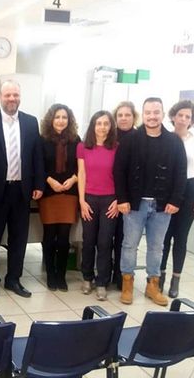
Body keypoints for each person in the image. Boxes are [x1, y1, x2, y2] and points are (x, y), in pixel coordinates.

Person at [113, 97, 187, 306]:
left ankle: (152, 285)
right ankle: (127, 284)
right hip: (134, 204)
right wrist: (122, 199)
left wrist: (176, 200)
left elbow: (181, 173)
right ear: (143, 114)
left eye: (156, 112)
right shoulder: (130, 140)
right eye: (148, 113)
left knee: (157, 247)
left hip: (163, 205)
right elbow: (119, 171)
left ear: (163, 114)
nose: (152, 116)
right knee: (129, 245)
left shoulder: (174, 142)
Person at [0, 80, 45, 299]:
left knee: (19, 238)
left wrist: (39, 184)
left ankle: (13, 279)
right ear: (0, 97)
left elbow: (36, 155)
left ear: (20, 97)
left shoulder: (30, 122)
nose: (12, 99)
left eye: (15, 95)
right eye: (8, 95)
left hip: (21, 191)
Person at [160, 100, 194, 298]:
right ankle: (159, 276)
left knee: (181, 237)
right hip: (168, 190)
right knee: (164, 237)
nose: (183, 119)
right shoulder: (166, 138)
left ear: (192, 120)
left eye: (187, 116)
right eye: (180, 115)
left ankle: (175, 279)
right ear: (173, 116)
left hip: (189, 189)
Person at [77, 111, 119, 301]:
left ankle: (102, 282)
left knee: (104, 242)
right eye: (98, 123)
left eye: (106, 123)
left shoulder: (117, 148)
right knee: (88, 241)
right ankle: (87, 277)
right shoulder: (83, 147)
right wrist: (82, 201)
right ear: (93, 126)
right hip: (89, 199)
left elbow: (121, 175)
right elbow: (82, 174)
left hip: (110, 201)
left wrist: (118, 200)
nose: (102, 127)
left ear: (111, 126)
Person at [38, 104, 80, 291]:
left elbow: (81, 167)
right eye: (57, 117)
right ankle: (50, 274)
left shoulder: (75, 140)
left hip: (69, 193)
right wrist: (50, 181)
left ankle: (61, 275)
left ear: (69, 120)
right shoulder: (42, 140)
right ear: (51, 120)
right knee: (49, 236)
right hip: (49, 193)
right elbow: (38, 165)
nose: (61, 121)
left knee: (64, 238)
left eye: (64, 117)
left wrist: (73, 180)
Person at [111, 101, 139, 289]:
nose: (123, 118)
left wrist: (123, 198)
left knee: (125, 239)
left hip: (129, 198)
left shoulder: (140, 138)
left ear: (134, 117)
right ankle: (106, 274)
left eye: (127, 115)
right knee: (107, 238)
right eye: (120, 115)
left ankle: (122, 277)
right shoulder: (109, 137)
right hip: (108, 195)